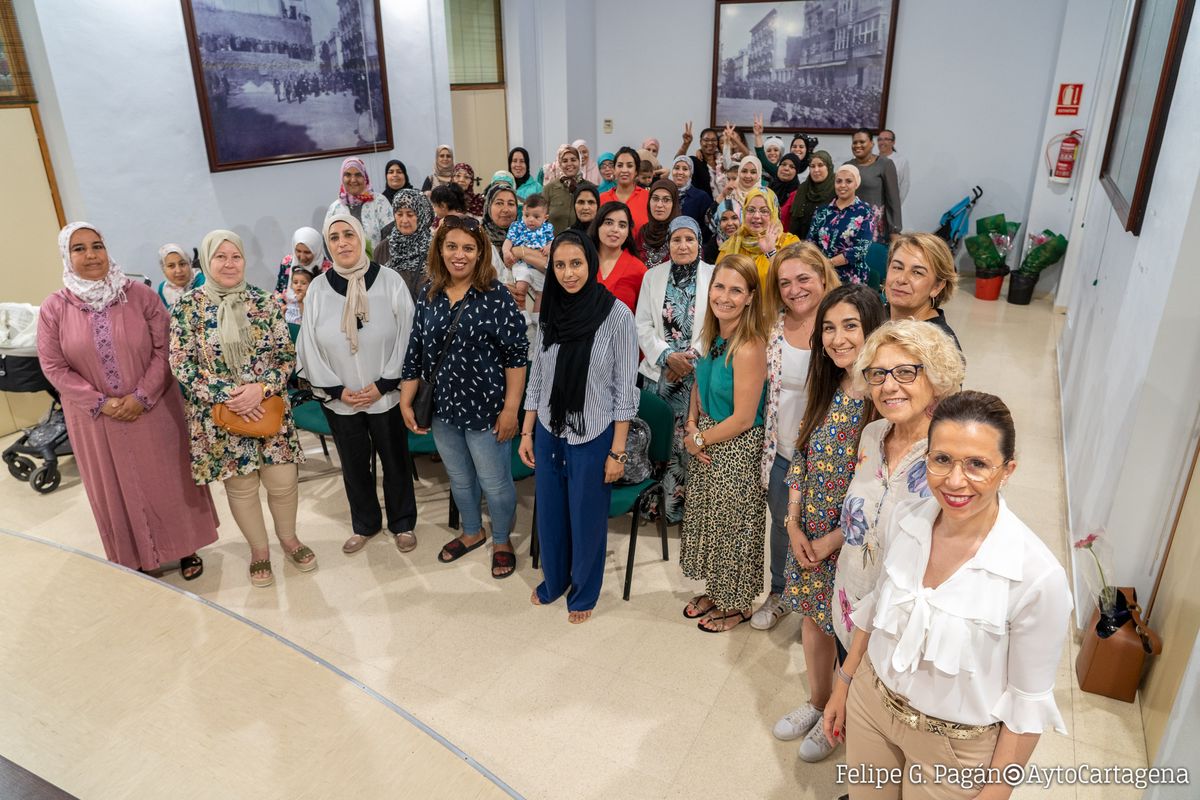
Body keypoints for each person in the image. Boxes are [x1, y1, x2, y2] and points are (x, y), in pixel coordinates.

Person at [823, 391, 1072, 800]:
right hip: (871, 707)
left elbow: (1026, 706)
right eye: (942, 460)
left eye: (977, 464)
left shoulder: (1037, 577)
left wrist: (995, 794)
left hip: (954, 749)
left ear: (1008, 470)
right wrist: (844, 684)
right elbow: (875, 611)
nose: (955, 481)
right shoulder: (907, 519)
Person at [39, 223, 219, 580]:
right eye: (79, 249)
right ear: (66, 256)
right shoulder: (54, 309)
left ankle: (185, 548)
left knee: (168, 478)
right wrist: (99, 401)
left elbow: (166, 347)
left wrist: (142, 395)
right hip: (95, 420)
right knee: (113, 486)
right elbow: (53, 365)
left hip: (154, 410)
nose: (90, 255)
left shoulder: (139, 296)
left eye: (97, 246)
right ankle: (135, 556)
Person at [774, 283, 886, 761]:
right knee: (814, 623)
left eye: (850, 327)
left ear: (872, 331)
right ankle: (817, 702)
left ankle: (840, 719)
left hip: (852, 543)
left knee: (848, 634)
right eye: (829, 328)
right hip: (809, 536)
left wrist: (831, 541)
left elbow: (880, 490)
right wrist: (794, 524)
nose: (838, 339)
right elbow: (801, 453)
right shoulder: (828, 384)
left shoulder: (883, 397)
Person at [169, 230, 314, 588]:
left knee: (283, 482)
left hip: (268, 408)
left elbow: (285, 356)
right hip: (222, 416)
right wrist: (230, 395)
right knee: (243, 488)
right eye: (220, 257)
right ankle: (260, 551)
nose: (229, 263)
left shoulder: (265, 302)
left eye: (235, 256)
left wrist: (260, 389)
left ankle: (289, 539)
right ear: (206, 261)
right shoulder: (188, 308)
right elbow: (181, 363)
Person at [519, 230, 639, 623]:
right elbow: (538, 376)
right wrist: (527, 430)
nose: (568, 274)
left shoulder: (617, 315)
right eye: (560, 265)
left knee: (586, 516)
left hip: (594, 432)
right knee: (551, 512)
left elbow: (625, 389)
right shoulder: (550, 310)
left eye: (576, 264)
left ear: (590, 263)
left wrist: (617, 451)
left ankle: (584, 590)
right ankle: (554, 581)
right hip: (550, 428)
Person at [401, 215, 528, 577]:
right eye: (452, 246)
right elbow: (417, 348)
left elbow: (516, 356)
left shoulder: (496, 296)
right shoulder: (429, 292)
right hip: (443, 410)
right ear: (440, 250)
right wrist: (406, 399)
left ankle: (501, 539)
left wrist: (511, 410)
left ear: (480, 252)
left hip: (488, 411)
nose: (459, 255)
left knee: (495, 482)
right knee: (459, 478)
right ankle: (472, 532)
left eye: (468, 248)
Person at [298, 215, 417, 555]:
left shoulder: (390, 281)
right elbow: (309, 344)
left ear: (361, 237)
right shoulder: (319, 289)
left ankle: (403, 522)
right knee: (353, 464)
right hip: (342, 399)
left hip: (386, 394)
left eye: (349, 234)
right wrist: (337, 391)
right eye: (334, 237)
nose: (342, 242)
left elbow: (408, 334)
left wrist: (385, 383)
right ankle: (364, 524)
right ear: (328, 245)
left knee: (395, 461)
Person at [751, 243, 839, 632]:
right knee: (784, 524)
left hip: (831, 457)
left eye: (803, 279)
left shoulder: (841, 326)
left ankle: (830, 603)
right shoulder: (771, 327)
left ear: (822, 277)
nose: (794, 289)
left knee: (831, 530)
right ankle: (780, 592)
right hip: (781, 451)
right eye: (784, 282)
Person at [679, 253, 769, 632]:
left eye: (736, 290)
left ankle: (737, 603)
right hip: (706, 437)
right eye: (720, 286)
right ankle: (717, 591)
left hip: (735, 445)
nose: (725, 297)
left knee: (733, 526)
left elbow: (745, 418)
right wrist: (690, 424)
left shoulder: (749, 346)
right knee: (711, 522)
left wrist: (698, 438)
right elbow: (699, 382)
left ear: (750, 297)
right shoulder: (715, 336)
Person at [635, 216, 713, 523]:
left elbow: (718, 322)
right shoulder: (652, 277)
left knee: (691, 443)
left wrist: (689, 358)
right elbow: (642, 324)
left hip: (696, 375)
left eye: (689, 239)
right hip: (661, 375)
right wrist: (667, 355)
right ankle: (658, 509)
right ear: (668, 243)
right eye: (677, 240)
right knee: (660, 441)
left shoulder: (715, 274)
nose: (683, 245)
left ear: (699, 243)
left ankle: (691, 513)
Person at [884, 232, 961, 349]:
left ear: (937, 287)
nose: (901, 279)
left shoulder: (939, 347)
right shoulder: (875, 316)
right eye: (897, 267)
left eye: (917, 272)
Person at [717, 186, 800, 288]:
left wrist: (771, 252)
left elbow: (794, 283)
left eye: (764, 211)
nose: (756, 216)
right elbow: (718, 281)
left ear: (773, 213)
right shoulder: (732, 243)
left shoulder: (789, 243)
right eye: (751, 210)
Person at [809, 164, 875, 286]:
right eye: (838, 181)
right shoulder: (822, 211)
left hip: (851, 278)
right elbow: (811, 242)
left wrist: (829, 263)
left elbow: (860, 249)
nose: (842, 185)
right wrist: (819, 264)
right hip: (821, 274)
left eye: (848, 181)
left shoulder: (866, 211)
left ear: (856, 184)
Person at [374, 188, 434, 300]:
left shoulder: (434, 248)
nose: (404, 220)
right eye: (399, 214)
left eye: (410, 214)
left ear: (421, 216)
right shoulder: (382, 250)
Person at [505, 193, 555, 322]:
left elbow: (552, 241)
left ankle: (536, 315)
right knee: (521, 286)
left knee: (541, 291)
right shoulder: (517, 226)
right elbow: (508, 241)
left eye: (536, 216)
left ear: (545, 218)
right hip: (521, 263)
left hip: (538, 266)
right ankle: (522, 310)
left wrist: (549, 246)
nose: (530, 219)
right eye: (527, 215)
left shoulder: (547, 228)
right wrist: (506, 251)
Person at [845, 129, 902, 241]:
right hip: (850, 225)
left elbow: (893, 199)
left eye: (862, 142)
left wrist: (895, 230)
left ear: (871, 143)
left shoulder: (885, 164)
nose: (857, 145)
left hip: (875, 228)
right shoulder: (847, 166)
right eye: (855, 142)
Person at [590, 200, 647, 312]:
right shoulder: (584, 261)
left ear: (628, 232)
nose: (615, 230)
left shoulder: (638, 269)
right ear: (597, 226)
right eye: (609, 223)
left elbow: (644, 317)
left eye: (622, 225)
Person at [325, 157, 392, 248]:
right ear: (342, 177)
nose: (353, 180)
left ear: (365, 177)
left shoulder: (379, 202)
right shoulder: (334, 209)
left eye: (358, 175)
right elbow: (328, 243)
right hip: (345, 261)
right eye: (348, 175)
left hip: (379, 261)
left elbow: (390, 237)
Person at [782, 151, 836, 240]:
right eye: (812, 166)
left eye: (820, 165)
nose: (816, 170)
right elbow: (794, 222)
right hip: (802, 244)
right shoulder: (803, 188)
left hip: (828, 246)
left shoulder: (836, 190)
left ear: (829, 167)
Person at [600, 147, 650, 233]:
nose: (624, 170)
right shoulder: (602, 199)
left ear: (636, 171)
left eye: (629, 166)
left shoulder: (648, 197)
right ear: (614, 170)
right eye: (620, 165)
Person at [481, 180, 521, 286]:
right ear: (488, 206)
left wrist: (523, 252)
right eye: (499, 203)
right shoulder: (478, 240)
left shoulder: (527, 236)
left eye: (511, 204)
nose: (506, 209)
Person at [634, 179, 680, 269]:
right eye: (655, 199)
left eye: (666, 200)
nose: (659, 205)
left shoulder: (682, 233)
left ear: (674, 204)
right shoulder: (643, 232)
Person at [275, 227, 332, 294]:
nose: (302, 257)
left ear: (317, 250)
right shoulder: (287, 262)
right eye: (298, 251)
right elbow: (279, 291)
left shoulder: (329, 269)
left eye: (307, 252)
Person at [668, 155, 714, 238]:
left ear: (691, 173)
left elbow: (709, 227)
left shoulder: (701, 197)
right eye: (677, 168)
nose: (680, 172)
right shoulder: (666, 194)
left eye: (685, 169)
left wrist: (694, 241)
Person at [543, 145, 583, 233]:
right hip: (554, 244)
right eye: (565, 161)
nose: (569, 164)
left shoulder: (588, 187)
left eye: (573, 160)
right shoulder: (549, 188)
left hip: (580, 243)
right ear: (560, 164)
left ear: (580, 161)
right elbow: (541, 219)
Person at [157, 243, 203, 307]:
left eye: (182, 264)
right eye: (171, 266)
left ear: (190, 264)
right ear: (163, 270)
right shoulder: (164, 288)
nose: (178, 270)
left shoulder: (203, 283)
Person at [704, 197, 741, 264]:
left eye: (734, 218)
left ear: (741, 219)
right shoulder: (713, 246)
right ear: (718, 222)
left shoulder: (748, 242)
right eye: (724, 219)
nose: (730, 223)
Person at [876, 128, 909, 203]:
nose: (882, 142)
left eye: (886, 139)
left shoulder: (901, 161)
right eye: (880, 139)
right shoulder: (872, 159)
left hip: (891, 203)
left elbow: (904, 185)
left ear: (893, 142)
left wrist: (896, 205)